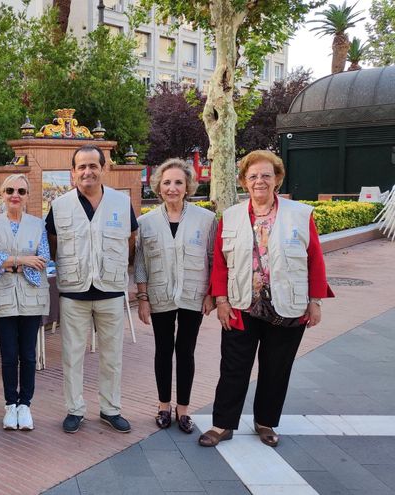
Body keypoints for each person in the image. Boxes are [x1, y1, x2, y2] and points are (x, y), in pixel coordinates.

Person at [198, 150, 334, 448]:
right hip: (240, 304)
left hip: (287, 306)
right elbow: (220, 263)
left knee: (276, 368)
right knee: (233, 366)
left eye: (266, 175)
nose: (259, 181)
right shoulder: (231, 216)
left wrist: (315, 301)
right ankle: (222, 424)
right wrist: (220, 300)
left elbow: (315, 260)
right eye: (253, 176)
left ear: (277, 179)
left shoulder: (300, 214)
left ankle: (265, 422)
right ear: (244, 182)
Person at [46, 144, 139, 434]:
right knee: (72, 355)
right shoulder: (59, 206)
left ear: (103, 168)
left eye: (93, 166)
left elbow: (131, 239)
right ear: (73, 172)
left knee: (112, 356)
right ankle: (75, 409)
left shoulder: (121, 204)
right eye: (81, 167)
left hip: (110, 291)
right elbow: (52, 244)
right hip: (74, 292)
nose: (87, 171)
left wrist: (118, 266)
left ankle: (110, 409)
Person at [134, 159, 216, 434]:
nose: (172, 188)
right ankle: (162, 405)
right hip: (160, 295)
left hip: (194, 295)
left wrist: (212, 294)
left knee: (186, 351)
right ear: (158, 186)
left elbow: (213, 258)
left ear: (188, 186)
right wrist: (143, 298)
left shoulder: (205, 220)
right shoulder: (145, 223)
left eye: (178, 182)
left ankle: (183, 408)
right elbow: (141, 262)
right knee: (163, 349)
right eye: (167, 182)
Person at [0, 173, 50, 431]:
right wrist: (21, 261)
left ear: (28, 196)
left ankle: (25, 405)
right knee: (9, 355)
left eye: (21, 191)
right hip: (4, 296)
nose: (15, 195)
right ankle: (10, 404)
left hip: (31, 297)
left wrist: (6, 262)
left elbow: (42, 259)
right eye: (10, 190)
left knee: (28, 355)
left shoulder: (38, 225)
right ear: (2, 194)